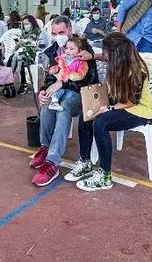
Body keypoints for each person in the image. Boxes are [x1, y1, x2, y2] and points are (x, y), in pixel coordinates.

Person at [67, 33, 152, 192]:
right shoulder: (119, 59)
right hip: (119, 101)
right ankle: (85, 161)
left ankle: (105, 175)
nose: (104, 55)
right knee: (88, 113)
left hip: (137, 109)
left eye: (106, 51)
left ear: (115, 53)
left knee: (101, 122)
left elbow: (132, 101)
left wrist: (109, 108)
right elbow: (103, 57)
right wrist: (91, 56)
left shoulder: (136, 70)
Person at [31, 16, 96, 186]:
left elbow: (90, 79)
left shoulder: (82, 48)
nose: (58, 36)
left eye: (61, 32)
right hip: (60, 91)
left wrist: (64, 82)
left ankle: (52, 162)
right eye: (54, 33)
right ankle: (45, 148)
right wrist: (45, 90)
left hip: (80, 94)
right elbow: (50, 78)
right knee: (46, 103)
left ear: (69, 29)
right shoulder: (53, 51)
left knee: (63, 106)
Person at [47, 36, 90, 111]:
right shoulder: (63, 59)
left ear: (80, 50)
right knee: (52, 100)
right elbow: (59, 67)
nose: (67, 51)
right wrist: (55, 69)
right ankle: (54, 101)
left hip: (72, 88)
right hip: (60, 83)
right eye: (66, 48)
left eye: (71, 49)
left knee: (65, 102)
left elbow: (81, 75)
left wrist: (70, 76)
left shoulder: (81, 62)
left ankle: (55, 101)